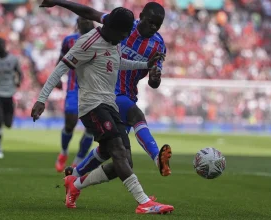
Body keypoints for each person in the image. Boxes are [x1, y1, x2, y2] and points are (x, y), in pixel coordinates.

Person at [31, 7, 174, 214]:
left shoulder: (114, 41)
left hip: (110, 105)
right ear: (114, 29)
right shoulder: (88, 42)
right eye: (124, 35)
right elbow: (61, 68)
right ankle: (143, 202)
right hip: (92, 106)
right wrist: (41, 99)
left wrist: (146, 64)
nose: (125, 39)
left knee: (123, 160)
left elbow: (119, 63)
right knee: (117, 149)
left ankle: (75, 183)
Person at [54, 17, 95, 172]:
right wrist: (57, 77)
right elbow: (61, 59)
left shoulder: (101, 40)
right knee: (70, 123)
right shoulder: (69, 41)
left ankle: (77, 162)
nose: (86, 22)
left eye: (88, 20)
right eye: (82, 21)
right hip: (73, 89)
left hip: (93, 92)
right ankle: (63, 152)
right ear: (77, 24)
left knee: (91, 129)